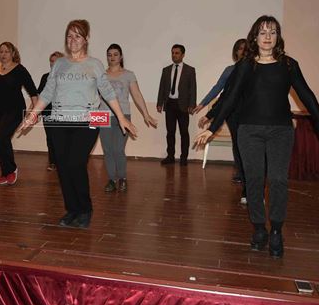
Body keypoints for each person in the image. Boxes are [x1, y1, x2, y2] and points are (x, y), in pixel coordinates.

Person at [193, 15, 319, 258]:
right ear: (255, 37)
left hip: (281, 131)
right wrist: (212, 127)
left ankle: (276, 230)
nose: (268, 37)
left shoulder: (289, 64)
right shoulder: (245, 66)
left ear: (278, 37)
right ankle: (259, 228)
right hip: (249, 131)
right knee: (254, 180)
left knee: (278, 180)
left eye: (272, 32)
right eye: (263, 32)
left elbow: (306, 94)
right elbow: (230, 98)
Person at [18, 20, 137, 229]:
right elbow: (47, 93)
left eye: (77, 36)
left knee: (76, 163)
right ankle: (72, 209)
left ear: (86, 39)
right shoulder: (59, 64)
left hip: (87, 120)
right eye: (69, 36)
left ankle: (85, 209)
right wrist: (32, 116)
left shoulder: (95, 64)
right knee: (63, 166)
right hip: (60, 120)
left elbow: (108, 92)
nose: (73, 40)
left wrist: (121, 117)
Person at [195, 39, 248, 202]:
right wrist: (206, 109)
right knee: (239, 146)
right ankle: (244, 180)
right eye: (240, 48)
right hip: (232, 115)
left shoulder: (255, 69)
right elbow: (222, 93)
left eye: (246, 48)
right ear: (236, 52)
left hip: (251, 116)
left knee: (249, 148)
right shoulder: (230, 70)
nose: (243, 51)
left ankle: (251, 184)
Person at [100, 44, 157, 193]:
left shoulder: (129, 75)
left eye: (115, 54)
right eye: (109, 55)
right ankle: (112, 180)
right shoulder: (101, 74)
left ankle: (122, 178)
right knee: (107, 150)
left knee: (118, 149)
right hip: (102, 115)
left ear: (121, 57)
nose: (112, 57)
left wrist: (146, 114)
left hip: (123, 116)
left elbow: (137, 94)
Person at [0, 42, 38, 186]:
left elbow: (32, 90)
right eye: (1, 51)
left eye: (7, 51)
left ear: (13, 53)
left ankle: (12, 169)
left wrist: (34, 112)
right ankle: (5, 173)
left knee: (2, 136)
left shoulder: (20, 69)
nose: (3, 54)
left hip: (15, 109)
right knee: (0, 140)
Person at [157, 44, 197, 165]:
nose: (174, 55)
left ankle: (184, 157)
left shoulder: (190, 70)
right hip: (170, 104)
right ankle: (170, 156)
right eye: (173, 53)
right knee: (170, 132)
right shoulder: (166, 70)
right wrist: (159, 103)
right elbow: (162, 87)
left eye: (177, 53)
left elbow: (193, 89)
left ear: (183, 55)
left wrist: (192, 105)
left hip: (183, 105)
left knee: (184, 132)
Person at [37, 51, 64, 171]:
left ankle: (62, 161)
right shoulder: (45, 77)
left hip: (62, 113)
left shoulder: (66, 77)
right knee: (50, 137)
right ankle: (52, 162)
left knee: (61, 138)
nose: (53, 63)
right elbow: (40, 95)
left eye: (56, 61)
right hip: (48, 112)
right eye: (51, 61)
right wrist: (35, 111)